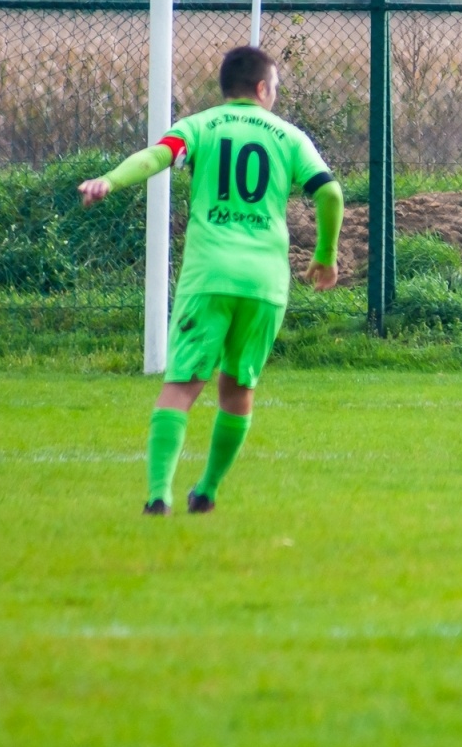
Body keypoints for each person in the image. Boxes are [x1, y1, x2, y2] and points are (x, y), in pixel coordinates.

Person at [78, 45, 345, 514]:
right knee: (238, 389)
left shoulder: (199, 126)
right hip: (264, 283)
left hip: (209, 275)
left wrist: (110, 180)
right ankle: (207, 492)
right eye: (275, 87)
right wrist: (325, 254)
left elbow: (155, 158)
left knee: (182, 384)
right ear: (262, 88)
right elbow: (330, 193)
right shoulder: (288, 136)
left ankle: (158, 495)